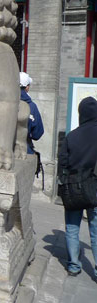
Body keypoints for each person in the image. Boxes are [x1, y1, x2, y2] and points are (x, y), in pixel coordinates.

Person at [58, 96, 97, 276]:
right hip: (95, 189)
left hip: (74, 189)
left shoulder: (71, 136)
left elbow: (63, 164)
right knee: (95, 231)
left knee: (72, 228)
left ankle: (74, 265)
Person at [19, 72, 44, 154]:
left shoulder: (5, 103)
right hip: (24, 150)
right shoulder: (32, 107)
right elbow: (37, 134)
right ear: (26, 87)